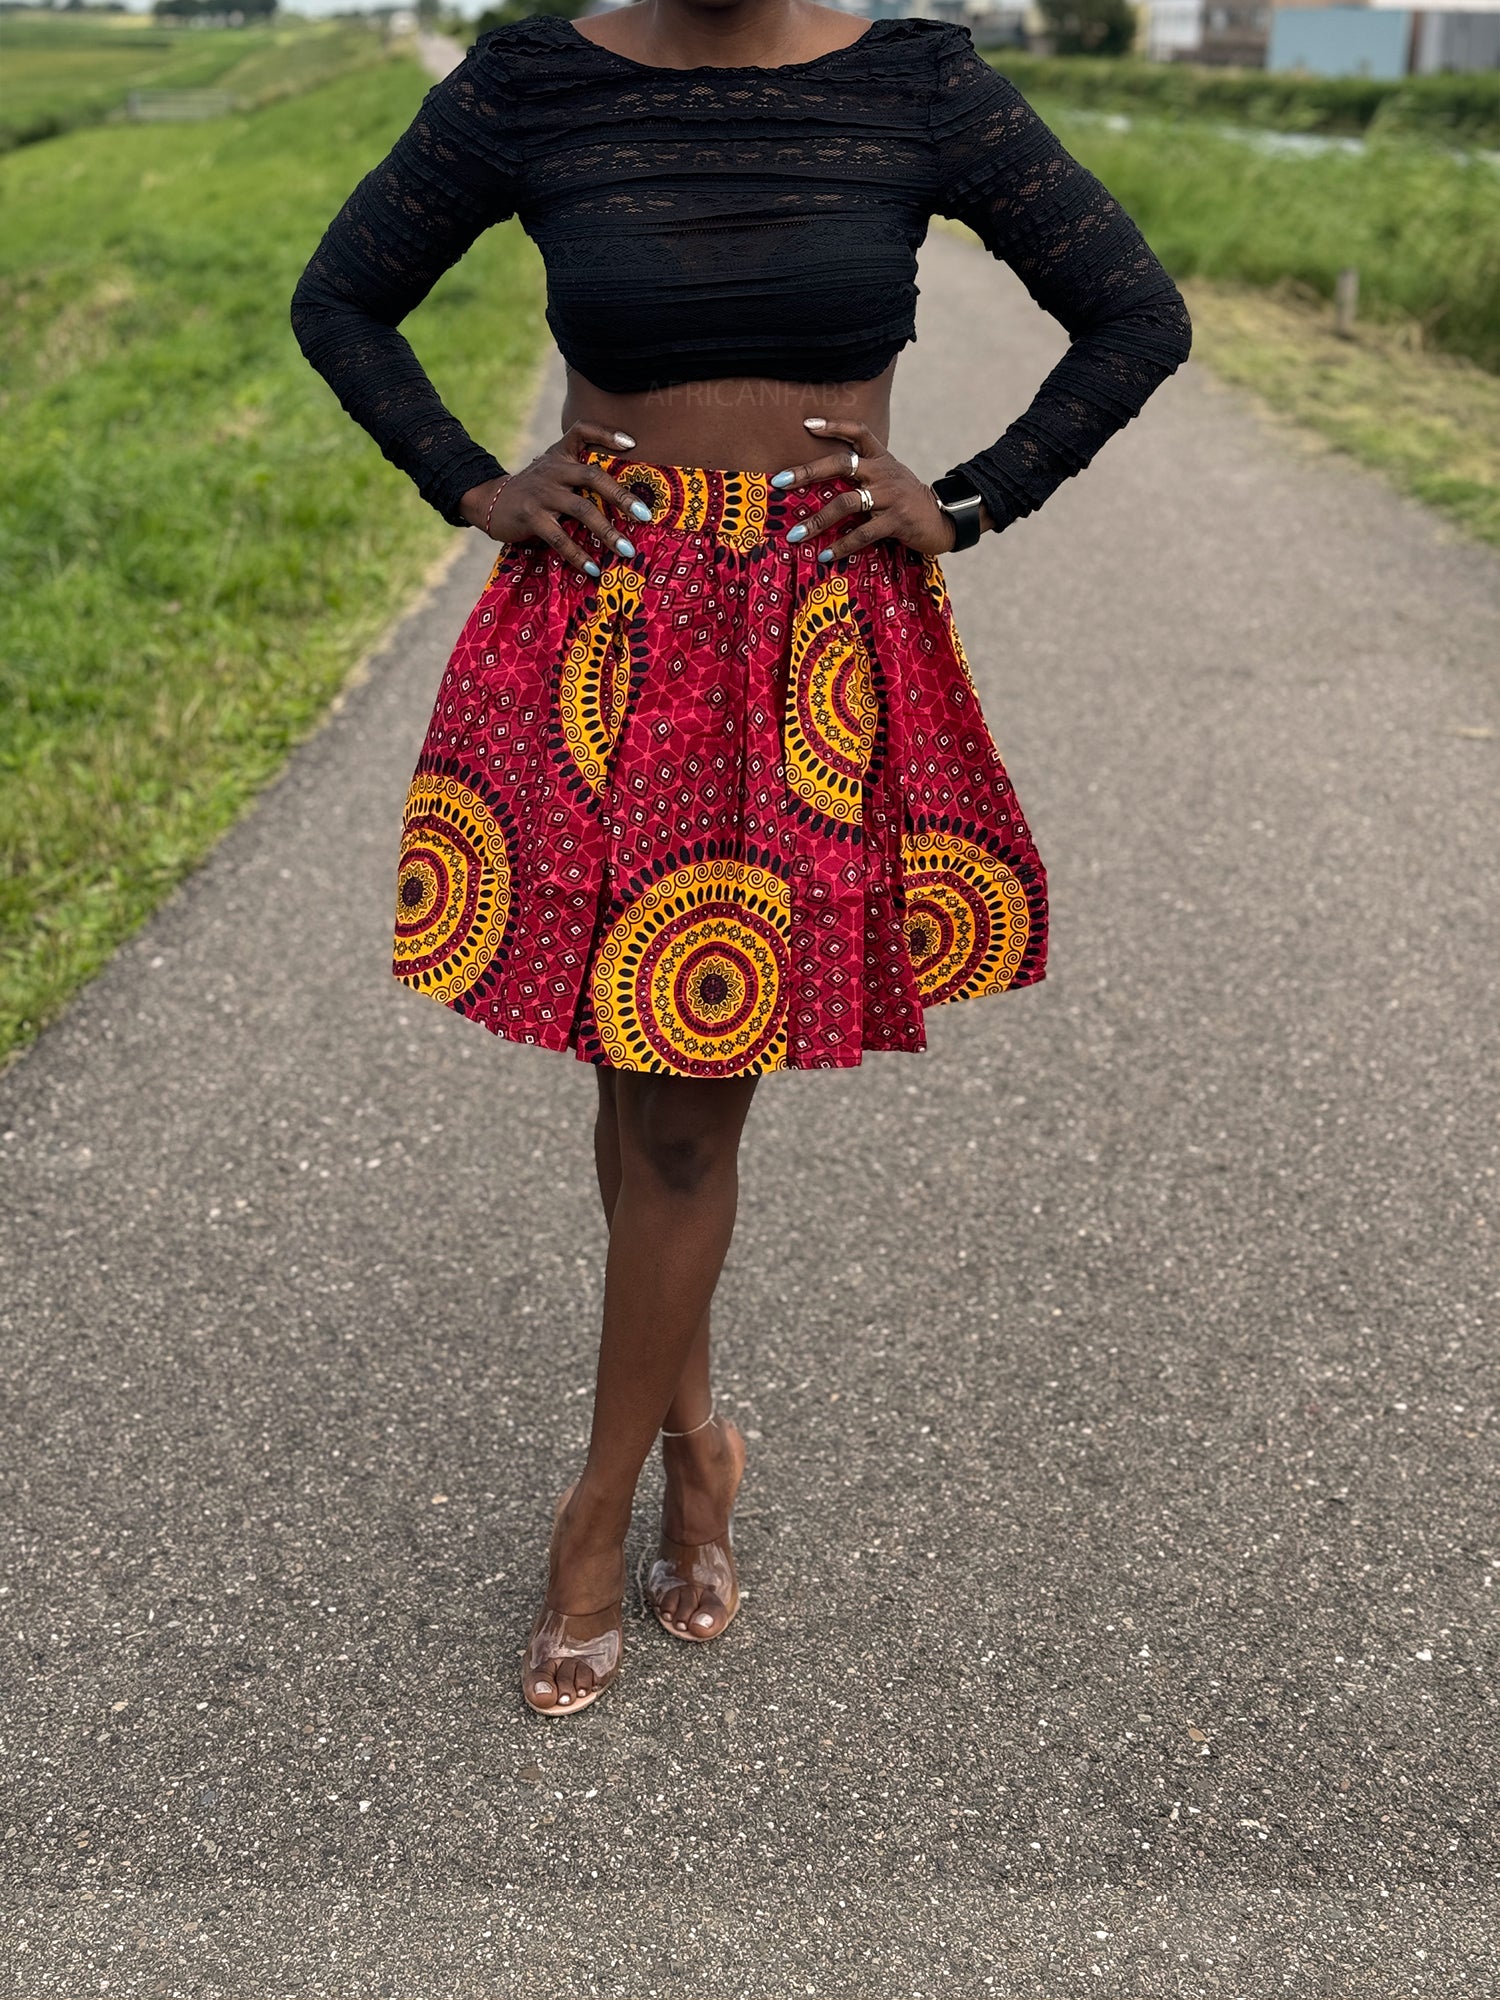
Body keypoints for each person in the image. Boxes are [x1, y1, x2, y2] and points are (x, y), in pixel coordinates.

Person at [290, 0, 1192, 1718]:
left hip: (810, 642)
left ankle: (597, 1508)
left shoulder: (913, 80)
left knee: (687, 1105)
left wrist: (981, 494)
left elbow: (1135, 316)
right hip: (603, 624)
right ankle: (702, 1443)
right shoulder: (537, 75)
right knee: (640, 1089)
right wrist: (470, 481)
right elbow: (342, 296)